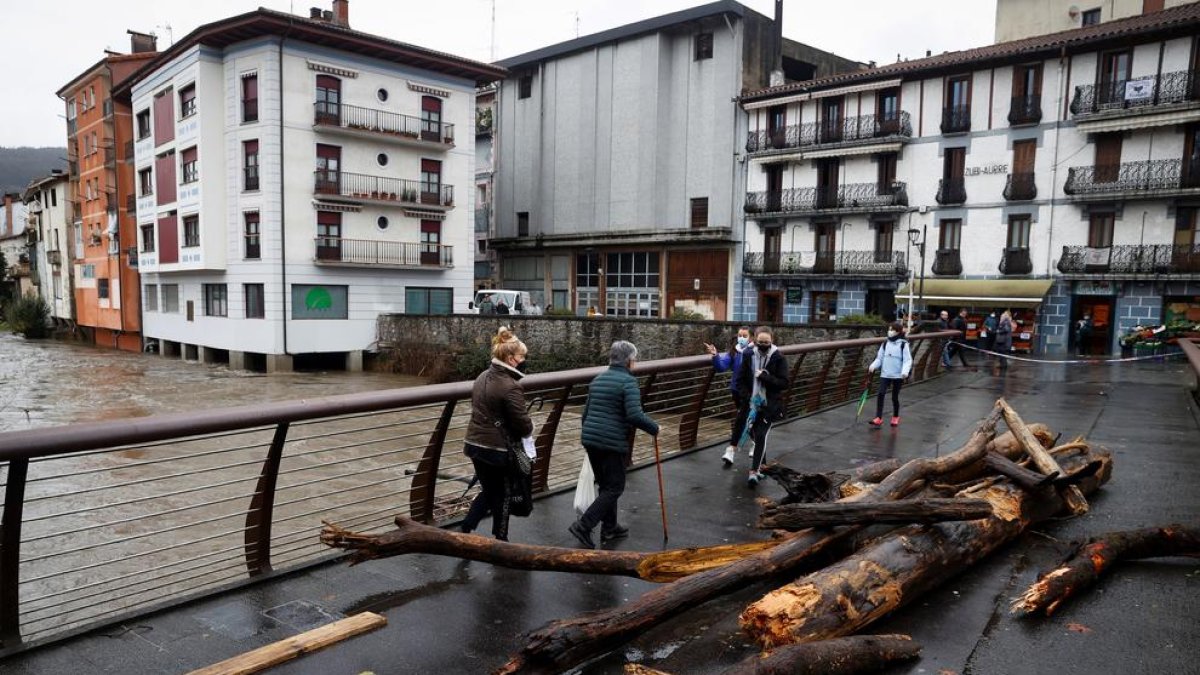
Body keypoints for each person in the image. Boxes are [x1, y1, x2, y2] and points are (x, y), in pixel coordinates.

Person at [569, 341, 659, 549]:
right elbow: (635, 415)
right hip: (611, 443)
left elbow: (585, 415)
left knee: (606, 486)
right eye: (634, 360)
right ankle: (584, 525)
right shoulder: (628, 383)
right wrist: (655, 428)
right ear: (629, 362)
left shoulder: (598, 380)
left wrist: (590, 437)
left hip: (591, 440)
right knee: (615, 487)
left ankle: (610, 527)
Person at [460, 327, 533, 541]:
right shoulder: (511, 386)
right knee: (503, 493)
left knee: (491, 489)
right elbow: (523, 425)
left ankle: (467, 525)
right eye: (522, 356)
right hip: (498, 449)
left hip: (474, 443)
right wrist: (530, 429)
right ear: (511, 359)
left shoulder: (482, 376)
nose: (524, 360)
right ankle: (501, 539)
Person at [734, 326, 789, 487]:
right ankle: (762, 465)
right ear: (755, 341)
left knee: (760, 435)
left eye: (767, 342)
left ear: (772, 341)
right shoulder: (748, 355)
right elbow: (740, 380)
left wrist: (766, 377)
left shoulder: (778, 358)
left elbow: (784, 383)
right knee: (751, 431)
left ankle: (754, 471)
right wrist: (747, 397)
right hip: (751, 403)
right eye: (760, 342)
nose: (763, 345)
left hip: (770, 403)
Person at [704, 326, 753, 467]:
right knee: (746, 418)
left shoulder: (755, 351)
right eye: (740, 335)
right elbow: (721, 366)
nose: (741, 338)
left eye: (745, 335)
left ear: (751, 337)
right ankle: (754, 443)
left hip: (751, 391)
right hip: (737, 391)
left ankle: (731, 449)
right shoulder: (734, 352)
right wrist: (715, 355)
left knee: (743, 418)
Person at [868, 321, 913, 428]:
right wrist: (873, 365)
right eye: (889, 329)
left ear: (897, 331)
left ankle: (895, 416)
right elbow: (880, 358)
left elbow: (907, 360)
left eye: (892, 329)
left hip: (898, 375)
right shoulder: (885, 343)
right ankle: (878, 418)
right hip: (885, 374)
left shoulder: (903, 344)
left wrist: (904, 372)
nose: (890, 331)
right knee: (880, 393)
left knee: (894, 397)